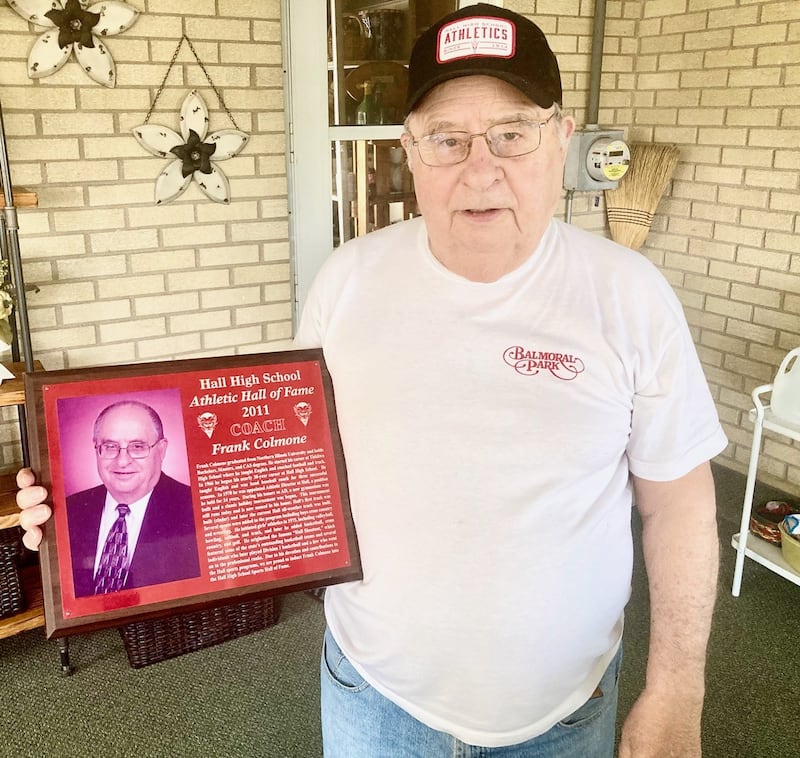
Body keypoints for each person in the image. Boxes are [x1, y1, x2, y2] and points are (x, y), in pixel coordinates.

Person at [19, 5, 726, 756]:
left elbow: (678, 497)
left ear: (561, 136)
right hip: (375, 702)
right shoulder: (347, 284)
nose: (480, 169)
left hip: (567, 711)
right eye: (446, 139)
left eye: (513, 133)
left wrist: (678, 689)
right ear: (409, 151)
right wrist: (78, 523)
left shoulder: (630, 294)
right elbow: (269, 469)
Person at [64, 399, 199, 596]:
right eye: (110, 446)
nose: (123, 460)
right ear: (96, 449)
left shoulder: (196, 508)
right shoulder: (70, 509)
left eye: (137, 447)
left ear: (161, 450)